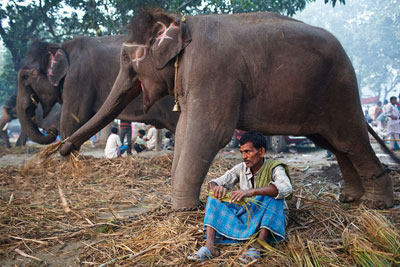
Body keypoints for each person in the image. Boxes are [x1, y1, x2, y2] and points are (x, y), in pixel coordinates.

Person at [188, 131, 292, 262]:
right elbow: (214, 182)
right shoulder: (241, 168)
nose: (244, 156)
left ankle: (258, 247)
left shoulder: (275, 168)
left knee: (273, 197)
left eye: (248, 152)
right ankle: (210, 246)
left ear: (261, 152)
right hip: (248, 214)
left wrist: (253, 192)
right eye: (242, 152)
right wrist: (216, 188)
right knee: (213, 197)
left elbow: (286, 188)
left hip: (270, 217)